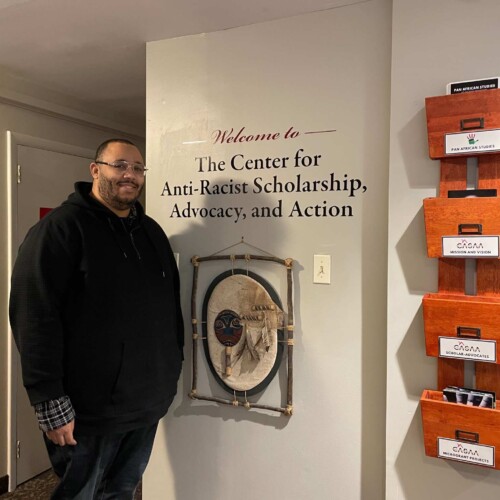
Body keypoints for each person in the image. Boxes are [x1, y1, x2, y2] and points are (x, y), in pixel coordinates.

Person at [9, 139, 184, 499]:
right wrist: (49, 400)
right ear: (95, 169)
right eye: (120, 165)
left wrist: (170, 369)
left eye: (138, 168)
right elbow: (34, 316)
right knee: (80, 493)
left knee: (121, 491)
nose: (130, 175)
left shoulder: (151, 232)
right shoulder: (59, 230)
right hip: (86, 411)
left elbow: (168, 309)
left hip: (145, 402)